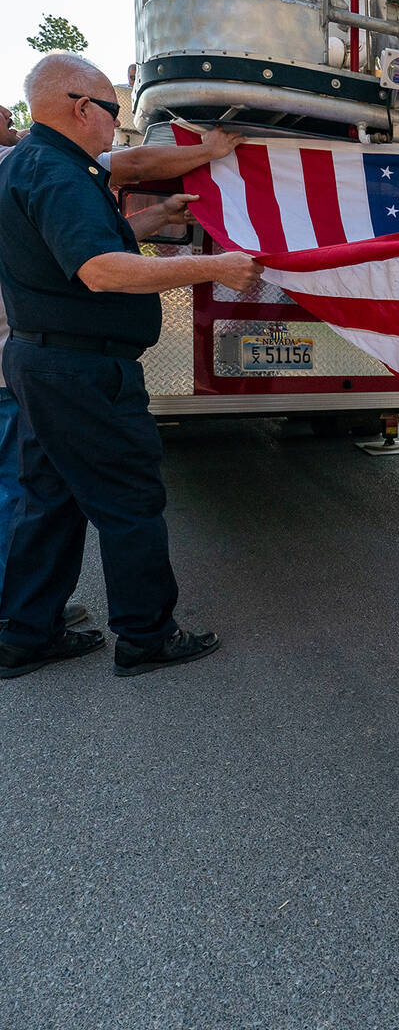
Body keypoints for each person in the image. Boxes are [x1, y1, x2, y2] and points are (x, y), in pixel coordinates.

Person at [0, 54, 261, 680]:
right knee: (128, 501)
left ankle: (24, 633)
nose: (117, 125)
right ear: (81, 107)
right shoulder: (61, 174)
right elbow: (99, 269)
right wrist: (214, 267)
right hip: (81, 370)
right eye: (113, 111)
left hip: (42, 361)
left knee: (48, 498)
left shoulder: (30, 163)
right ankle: (146, 636)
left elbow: (69, 248)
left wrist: (151, 220)